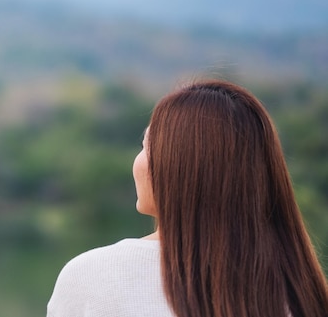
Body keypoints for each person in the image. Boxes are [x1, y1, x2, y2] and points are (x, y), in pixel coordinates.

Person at [46, 79, 328, 317]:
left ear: (180, 168)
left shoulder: (95, 276)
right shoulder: (300, 288)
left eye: (146, 146)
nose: (139, 160)